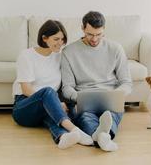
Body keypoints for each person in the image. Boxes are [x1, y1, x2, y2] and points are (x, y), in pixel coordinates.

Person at [12, 20, 93, 149]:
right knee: (48, 92)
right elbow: (26, 90)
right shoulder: (26, 55)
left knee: (60, 112)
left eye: (62, 39)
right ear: (44, 38)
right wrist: (54, 101)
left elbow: (77, 56)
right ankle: (75, 130)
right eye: (56, 39)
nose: (60, 43)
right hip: (24, 107)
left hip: (47, 107)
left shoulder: (60, 56)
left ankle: (62, 138)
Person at [61, 11, 132, 152]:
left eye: (99, 34)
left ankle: (100, 136)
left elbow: (126, 82)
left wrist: (116, 95)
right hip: (84, 98)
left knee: (112, 114)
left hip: (110, 96)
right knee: (86, 117)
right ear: (82, 28)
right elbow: (67, 87)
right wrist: (79, 98)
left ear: (104, 30)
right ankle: (104, 137)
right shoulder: (69, 52)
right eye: (90, 34)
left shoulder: (115, 48)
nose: (94, 39)